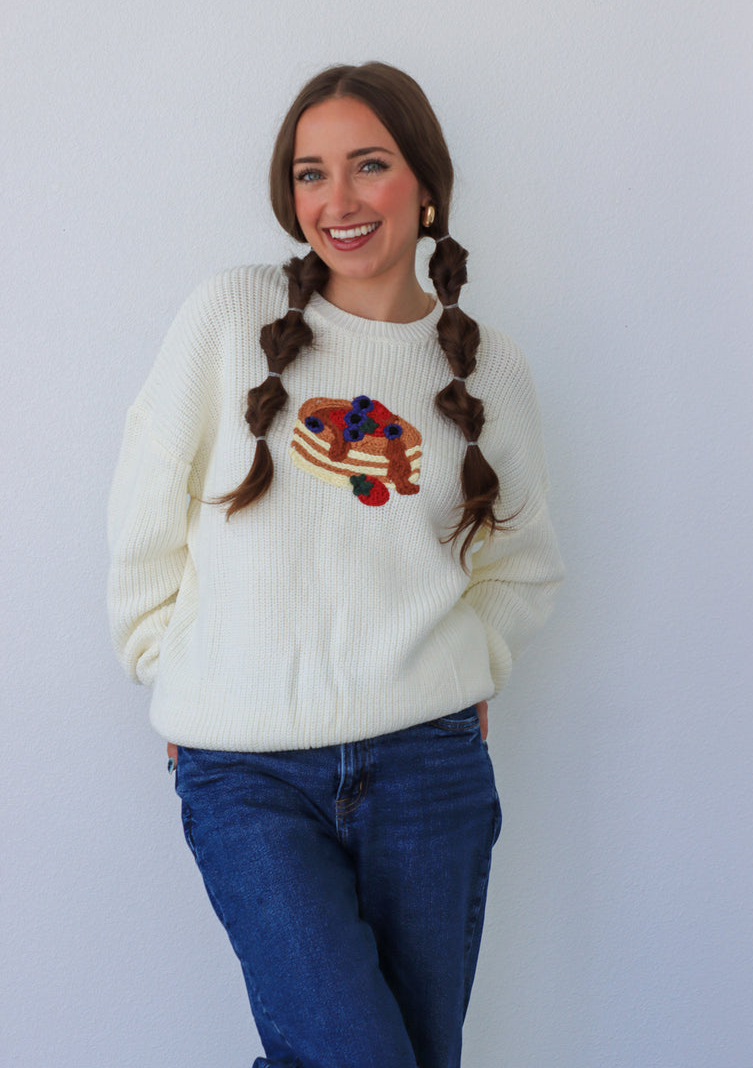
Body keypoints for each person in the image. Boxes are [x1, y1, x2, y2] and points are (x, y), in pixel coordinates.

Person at [107, 61, 564, 1068]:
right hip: (248, 777)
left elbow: (522, 561)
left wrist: (466, 664)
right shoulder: (231, 317)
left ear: (425, 186)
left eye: (369, 166)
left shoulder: (488, 366)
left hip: (428, 769)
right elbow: (146, 501)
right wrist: (166, 661)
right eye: (310, 174)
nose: (338, 201)